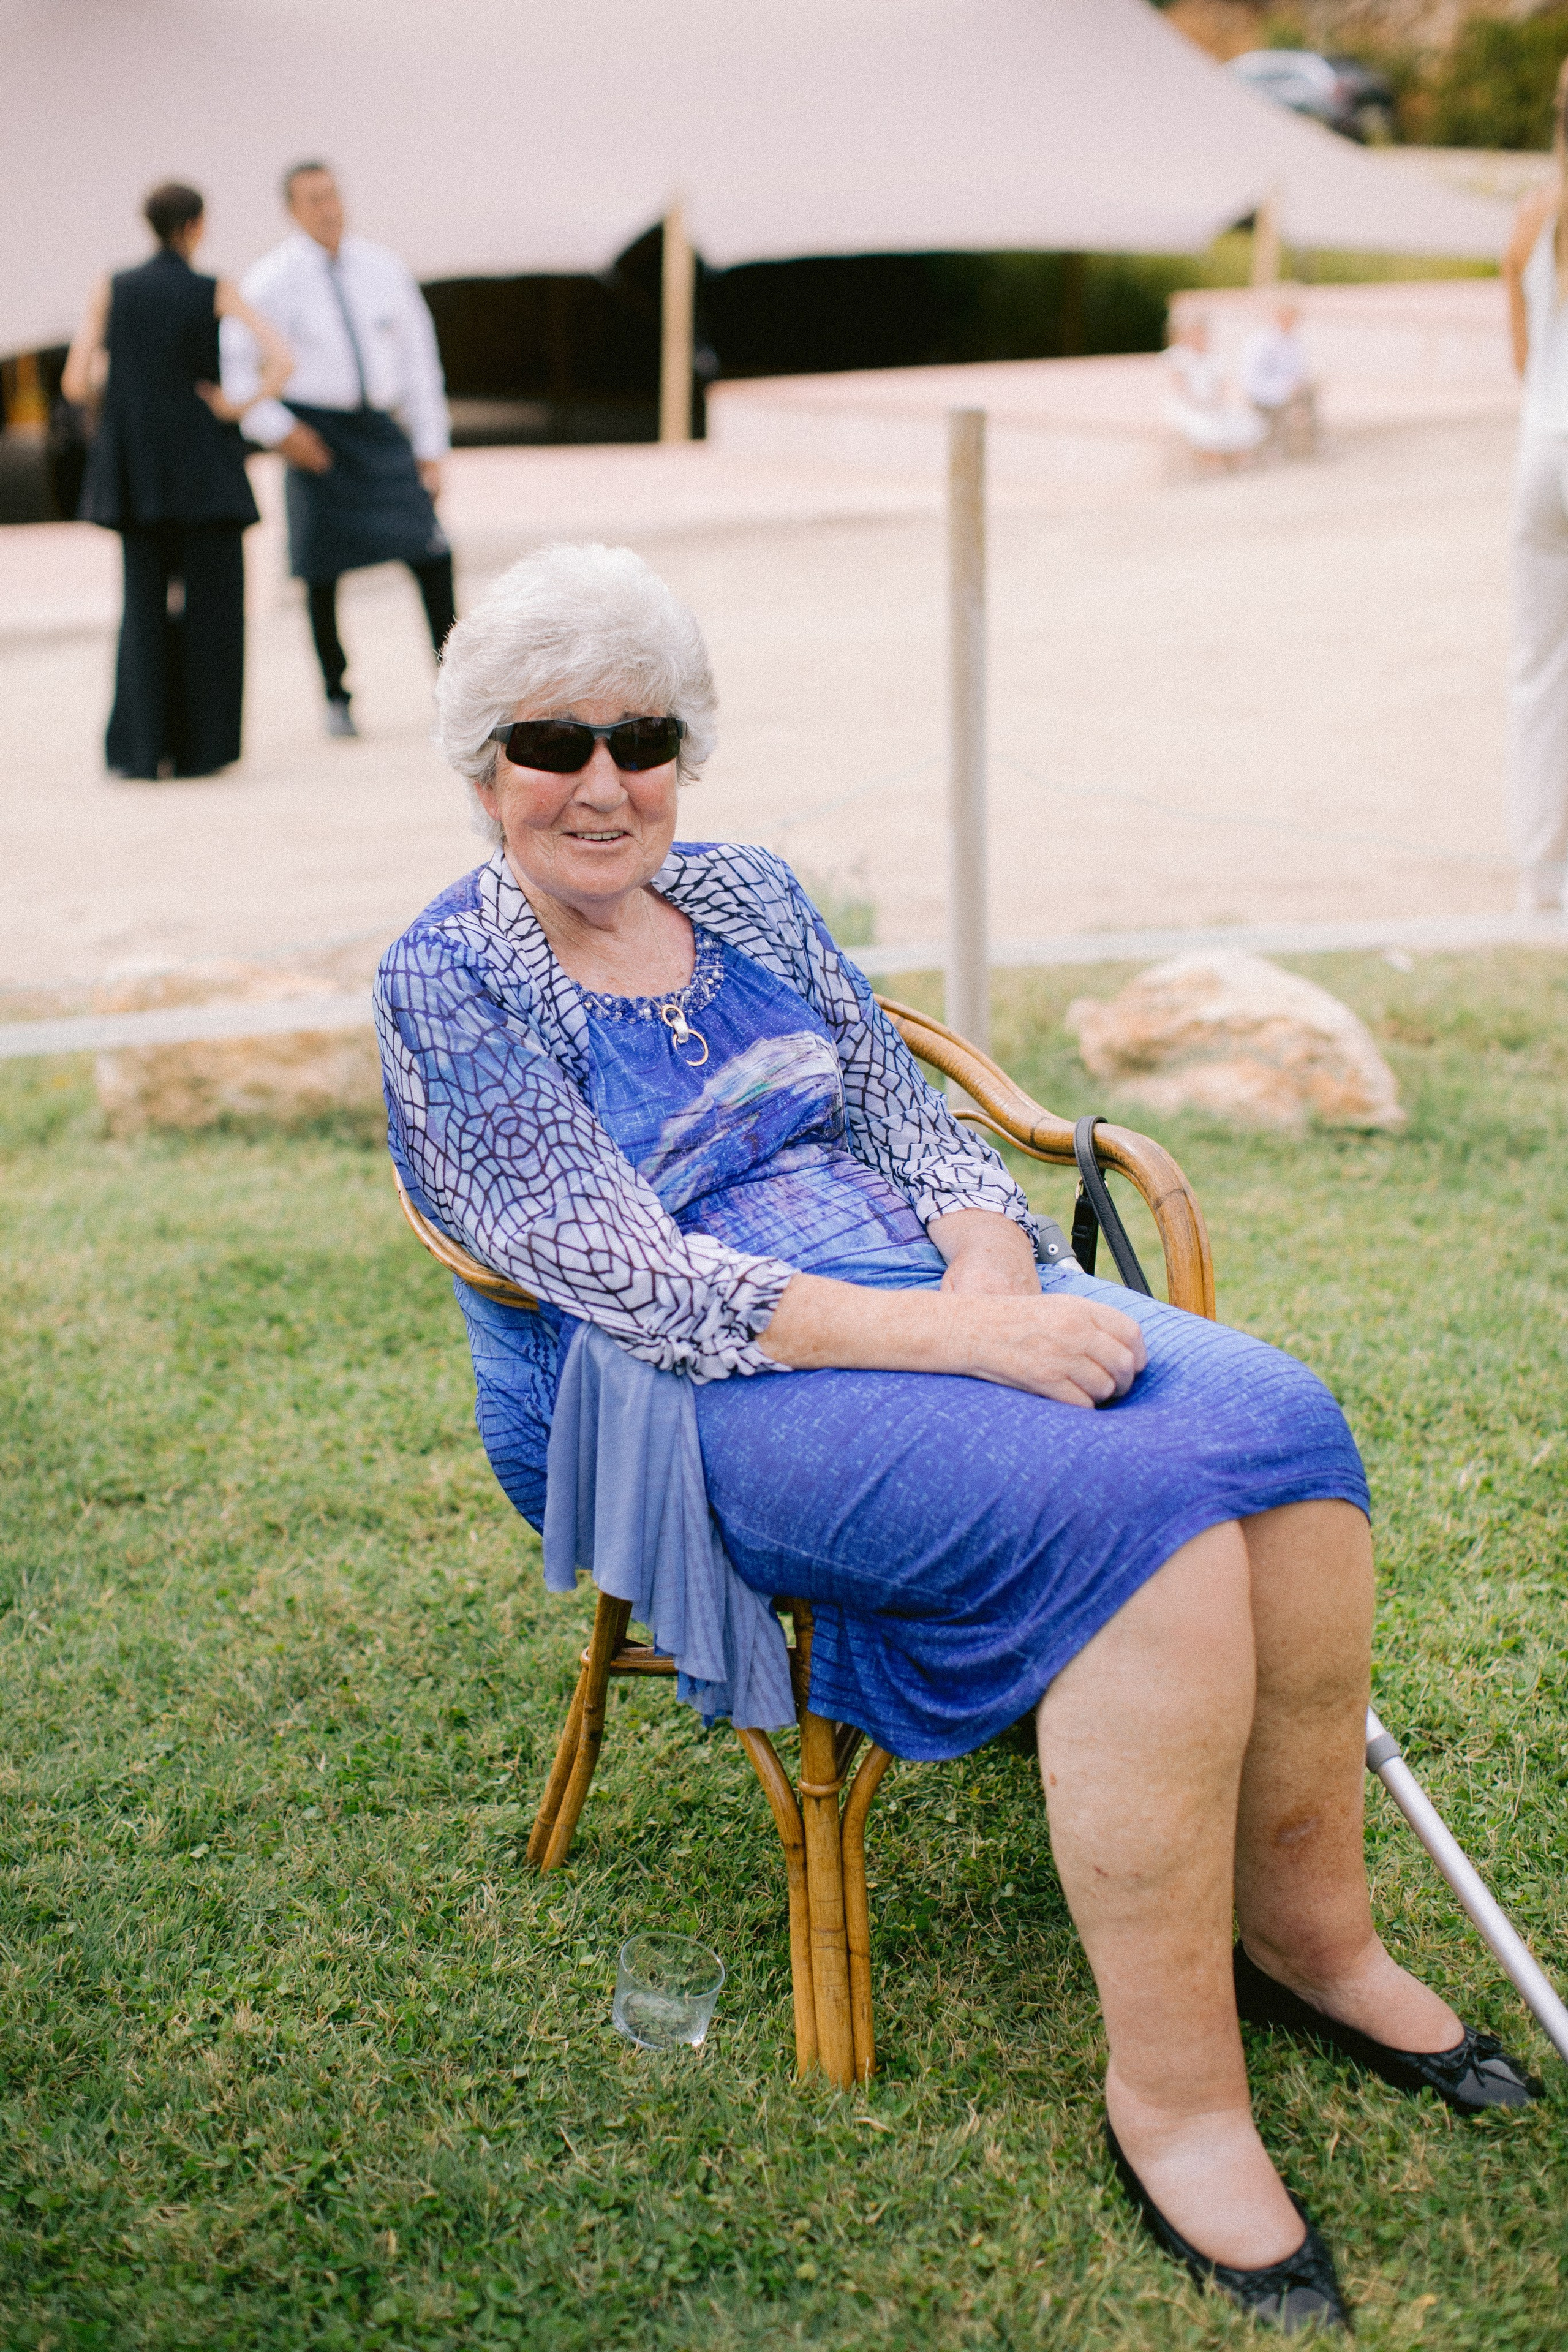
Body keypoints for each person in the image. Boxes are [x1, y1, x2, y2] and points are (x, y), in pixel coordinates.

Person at [374, 543, 1541, 2335]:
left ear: (684, 750)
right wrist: (968, 1339)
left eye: (642, 735)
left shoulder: (747, 894)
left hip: (932, 1295)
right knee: (1136, 1519)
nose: (602, 780)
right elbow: (626, 1277)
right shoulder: (449, 973)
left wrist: (991, 1256)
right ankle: (1173, 2097)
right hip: (677, 1393)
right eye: (552, 741)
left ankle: (1312, 1937)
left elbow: (910, 1122)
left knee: (1280, 1429)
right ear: (482, 765)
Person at [62, 181, 292, 779]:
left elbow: (75, 382)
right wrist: (236, 406)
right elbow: (281, 360)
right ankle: (204, 750)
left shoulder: (112, 286)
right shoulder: (214, 287)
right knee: (214, 611)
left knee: (141, 613)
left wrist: (127, 390)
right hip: (205, 472)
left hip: (137, 474)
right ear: (196, 225)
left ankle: (140, 751)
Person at [220, 160, 455, 740]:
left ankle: (455, 690)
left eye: (332, 196)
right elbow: (235, 366)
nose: (328, 209)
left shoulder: (383, 269)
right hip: (316, 435)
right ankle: (336, 694)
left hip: (379, 428)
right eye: (313, 200)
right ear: (292, 211)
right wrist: (278, 430)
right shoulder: (271, 280)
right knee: (319, 571)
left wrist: (430, 444)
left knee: (432, 555)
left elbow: (419, 359)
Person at [1504, 61, 1568, 919]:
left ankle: (1539, 879)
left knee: (1539, 674)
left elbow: (1522, 359)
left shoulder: (1531, 213)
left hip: (1540, 451)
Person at [1165, 315, 1267, 469]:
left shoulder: (1215, 357)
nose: (1197, 338)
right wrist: (1200, 403)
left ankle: (1238, 460)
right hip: (1189, 403)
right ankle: (1213, 461)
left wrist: (1215, 401)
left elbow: (1221, 386)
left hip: (1214, 402)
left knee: (1237, 421)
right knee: (1203, 426)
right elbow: (1180, 387)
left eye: (1200, 333)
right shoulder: (1178, 356)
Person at [1240, 296, 1317, 459]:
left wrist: (1295, 385)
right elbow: (1253, 377)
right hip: (1263, 393)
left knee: (1312, 390)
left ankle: (1307, 444)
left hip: (1289, 391)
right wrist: (1284, 387)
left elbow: (1299, 371)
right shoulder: (1260, 341)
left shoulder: (1294, 341)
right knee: (1296, 401)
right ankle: (1283, 446)